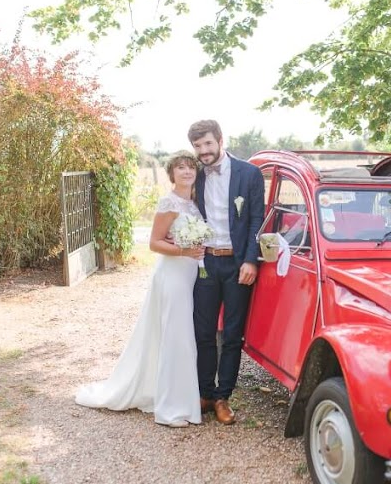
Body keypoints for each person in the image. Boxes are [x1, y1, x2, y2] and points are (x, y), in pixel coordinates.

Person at [75, 152, 203, 427]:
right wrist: (185, 250)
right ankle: (170, 409)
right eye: (180, 168)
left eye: (190, 167)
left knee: (180, 337)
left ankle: (175, 397)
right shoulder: (168, 202)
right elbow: (154, 244)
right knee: (176, 339)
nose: (186, 171)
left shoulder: (193, 202)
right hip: (172, 275)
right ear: (172, 174)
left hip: (189, 274)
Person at [187, 119, 266, 426]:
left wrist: (251, 260)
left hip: (236, 265)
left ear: (220, 140)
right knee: (203, 332)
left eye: (208, 144)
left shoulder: (249, 173)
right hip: (206, 264)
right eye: (197, 146)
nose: (203, 151)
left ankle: (223, 397)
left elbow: (257, 218)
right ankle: (204, 394)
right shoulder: (194, 176)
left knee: (232, 335)